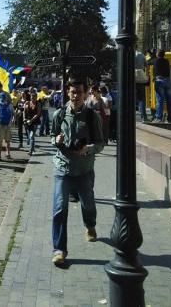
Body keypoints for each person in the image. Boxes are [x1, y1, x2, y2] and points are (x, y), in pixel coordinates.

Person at [50, 80, 104, 266]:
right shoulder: (60, 114)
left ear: (85, 93)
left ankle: (90, 225)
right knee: (59, 209)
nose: (75, 96)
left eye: (79, 92)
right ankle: (59, 250)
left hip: (84, 169)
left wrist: (88, 149)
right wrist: (56, 140)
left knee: (88, 204)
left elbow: (100, 143)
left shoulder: (92, 116)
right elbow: (52, 136)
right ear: (68, 92)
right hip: (62, 168)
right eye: (72, 92)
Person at [0, 91, 14, 161]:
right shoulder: (10, 105)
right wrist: (12, 122)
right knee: (8, 140)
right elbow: (13, 114)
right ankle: (8, 153)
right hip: (8, 124)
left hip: (0, 124)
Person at [154, 50, 171, 122]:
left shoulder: (156, 61)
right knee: (169, 100)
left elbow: (149, 62)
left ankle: (159, 117)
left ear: (157, 54)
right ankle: (170, 118)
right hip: (167, 81)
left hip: (159, 80)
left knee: (160, 100)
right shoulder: (167, 61)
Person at [23, 91, 41, 156]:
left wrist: (31, 120)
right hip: (27, 121)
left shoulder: (38, 104)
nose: (32, 98)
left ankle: (30, 151)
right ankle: (32, 148)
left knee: (31, 136)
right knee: (29, 136)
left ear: (36, 97)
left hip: (35, 121)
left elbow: (38, 114)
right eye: (31, 97)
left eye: (34, 97)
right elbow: (24, 111)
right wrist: (24, 118)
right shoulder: (27, 103)